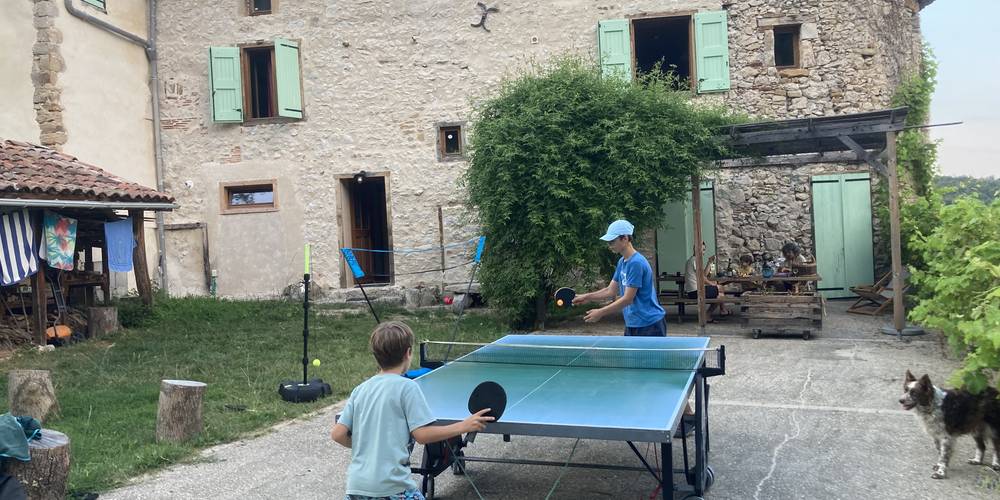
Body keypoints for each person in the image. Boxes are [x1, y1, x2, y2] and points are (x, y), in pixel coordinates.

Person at [331, 321, 493, 500]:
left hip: (357, 488)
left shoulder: (360, 389)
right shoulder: (407, 387)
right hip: (393, 488)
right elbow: (422, 435)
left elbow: (338, 434)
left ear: (375, 356)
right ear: (408, 353)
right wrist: (463, 426)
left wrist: (371, 446)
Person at [573, 219, 667, 336]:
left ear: (625, 239)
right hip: (633, 323)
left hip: (649, 325)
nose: (609, 246)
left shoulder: (636, 263)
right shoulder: (622, 262)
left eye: (612, 241)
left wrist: (601, 312)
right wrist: (586, 297)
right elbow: (610, 291)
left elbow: (628, 299)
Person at [684, 242, 731, 320]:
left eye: (704, 250)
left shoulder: (694, 260)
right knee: (720, 290)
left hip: (694, 291)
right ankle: (712, 313)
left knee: (720, 294)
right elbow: (702, 278)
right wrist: (712, 284)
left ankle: (721, 311)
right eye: (702, 250)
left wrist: (710, 262)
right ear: (695, 249)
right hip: (695, 291)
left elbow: (704, 275)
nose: (703, 252)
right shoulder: (695, 261)